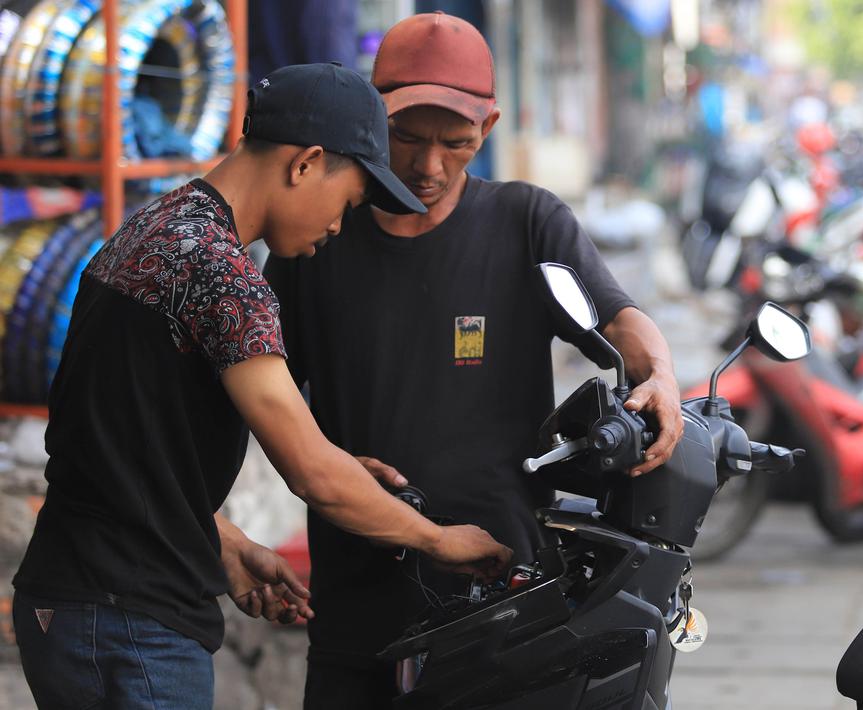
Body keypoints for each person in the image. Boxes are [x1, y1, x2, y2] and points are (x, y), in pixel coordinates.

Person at [11, 62, 512, 710]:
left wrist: (225, 541)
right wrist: (440, 541)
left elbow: (119, 447)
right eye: (349, 201)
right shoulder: (226, 277)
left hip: (67, 603)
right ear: (305, 164)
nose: (338, 227)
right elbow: (313, 472)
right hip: (134, 627)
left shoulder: (147, 230)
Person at [262, 13, 685, 708]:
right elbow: (263, 385)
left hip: (502, 589)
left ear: (485, 129)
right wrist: (313, 458)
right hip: (356, 588)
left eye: (455, 143)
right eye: (407, 138)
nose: (429, 167)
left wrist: (660, 377)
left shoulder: (525, 221)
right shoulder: (317, 233)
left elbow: (618, 319)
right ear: (372, 120)